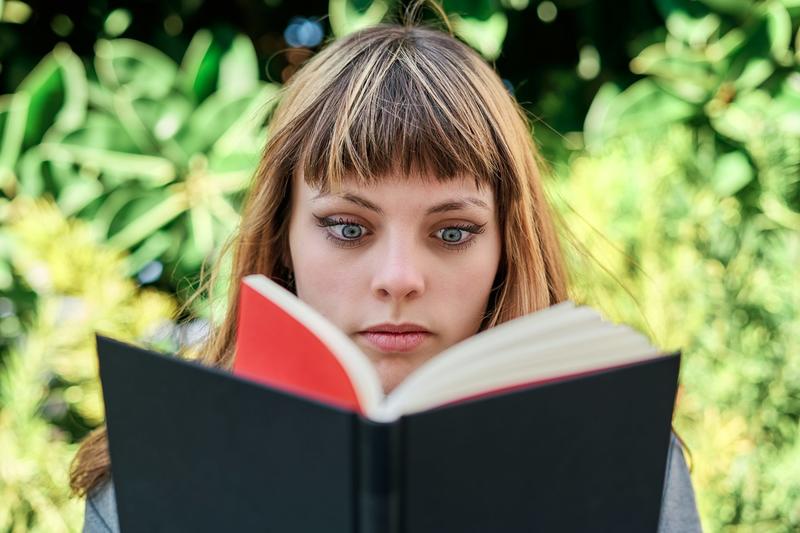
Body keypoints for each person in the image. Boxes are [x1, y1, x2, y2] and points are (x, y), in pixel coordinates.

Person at [71, 9, 703, 533]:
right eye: (348, 229)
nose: (399, 278)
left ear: (506, 248)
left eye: (452, 232)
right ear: (282, 236)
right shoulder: (150, 472)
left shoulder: (627, 459)